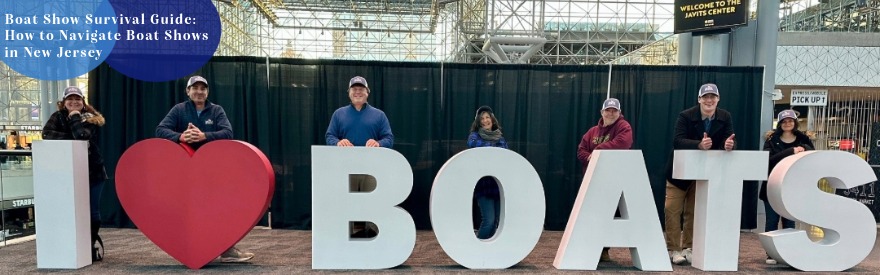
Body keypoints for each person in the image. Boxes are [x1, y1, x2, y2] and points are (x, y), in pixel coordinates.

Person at [155, 76, 252, 263]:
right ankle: (194, 250)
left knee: (219, 208)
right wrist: (181, 137)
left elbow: (228, 133)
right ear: (188, 91)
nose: (199, 92)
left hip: (212, 170)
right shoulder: (179, 110)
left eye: (203, 88)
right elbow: (160, 130)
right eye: (195, 88)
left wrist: (204, 136)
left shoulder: (216, 110)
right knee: (190, 212)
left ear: (207, 92)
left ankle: (226, 249)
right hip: (186, 172)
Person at [664, 83, 735, 265]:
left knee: (693, 212)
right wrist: (698, 145)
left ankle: (689, 247)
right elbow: (677, 141)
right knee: (672, 210)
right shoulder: (686, 115)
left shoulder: (725, 116)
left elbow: (729, 139)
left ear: (718, 99)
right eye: (705, 97)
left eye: (712, 97)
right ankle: (673, 249)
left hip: (703, 173)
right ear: (699, 99)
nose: (709, 100)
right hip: (679, 173)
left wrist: (729, 146)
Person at [42, 86, 108, 261]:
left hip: (94, 172)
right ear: (63, 102)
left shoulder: (92, 119)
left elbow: (82, 135)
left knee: (93, 211)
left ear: (83, 102)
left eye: (77, 99)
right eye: (70, 99)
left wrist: (75, 117)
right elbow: (46, 134)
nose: (74, 102)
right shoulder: (57, 117)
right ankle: (71, 246)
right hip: (67, 173)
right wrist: (71, 137)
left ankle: (90, 244)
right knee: (70, 210)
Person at [325, 76, 394, 238]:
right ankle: (348, 235)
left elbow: (389, 138)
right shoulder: (339, 114)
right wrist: (338, 142)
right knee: (347, 202)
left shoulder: (379, 115)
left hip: (371, 169)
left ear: (367, 92)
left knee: (368, 201)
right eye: (354, 89)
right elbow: (329, 136)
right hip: (345, 168)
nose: (357, 92)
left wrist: (378, 143)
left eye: (361, 89)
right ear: (349, 93)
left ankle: (369, 236)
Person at [576, 98, 633, 261]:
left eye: (614, 111)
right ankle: (588, 247)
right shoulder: (592, 132)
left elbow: (623, 143)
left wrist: (597, 151)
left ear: (620, 113)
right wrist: (590, 157)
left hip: (614, 180)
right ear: (602, 112)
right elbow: (581, 151)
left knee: (610, 214)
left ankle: (603, 250)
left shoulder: (624, 126)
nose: (611, 113)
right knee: (592, 213)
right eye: (608, 110)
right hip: (593, 179)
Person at [761, 109, 814, 265]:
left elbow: (811, 156)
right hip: (772, 186)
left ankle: (789, 253)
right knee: (771, 221)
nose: (787, 123)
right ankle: (771, 254)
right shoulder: (772, 140)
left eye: (790, 121)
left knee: (790, 222)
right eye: (784, 121)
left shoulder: (803, 139)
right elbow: (768, 160)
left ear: (795, 122)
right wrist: (791, 151)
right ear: (779, 124)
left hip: (793, 187)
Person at [467, 106, 508, 240]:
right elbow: (474, 146)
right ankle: (477, 248)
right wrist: (493, 147)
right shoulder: (474, 136)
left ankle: (490, 249)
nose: (485, 120)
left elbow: (505, 155)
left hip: (498, 184)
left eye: (487, 117)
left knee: (496, 222)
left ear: (492, 119)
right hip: (484, 184)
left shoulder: (500, 137)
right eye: (482, 119)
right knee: (488, 221)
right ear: (478, 122)